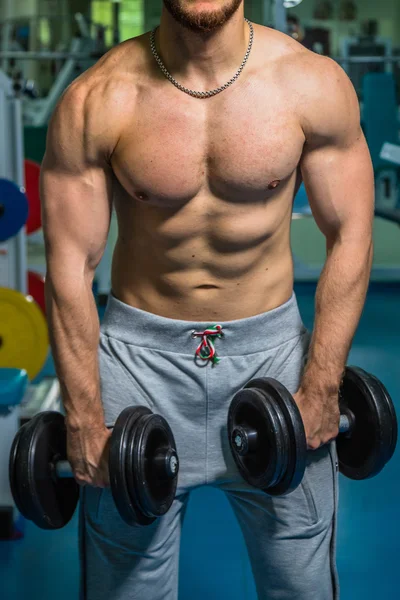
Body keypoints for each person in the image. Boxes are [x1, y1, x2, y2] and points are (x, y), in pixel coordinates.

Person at [40, 1, 374, 599]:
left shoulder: (311, 84)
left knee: (302, 587)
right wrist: (85, 416)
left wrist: (322, 386)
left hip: (276, 366)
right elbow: (70, 265)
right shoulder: (98, 100)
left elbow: (351, 232)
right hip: (137, 371)